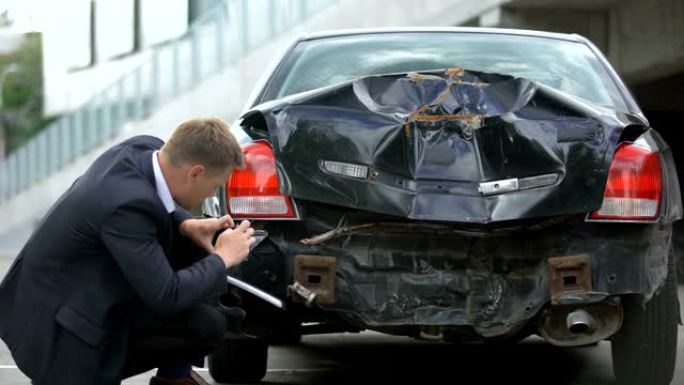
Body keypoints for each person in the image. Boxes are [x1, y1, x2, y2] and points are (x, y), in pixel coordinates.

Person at [0, 117, 254, 385]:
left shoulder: (145, 149)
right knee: (202, 283)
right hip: (59, 337)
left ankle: (174, 378)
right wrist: (222, 257)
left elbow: (158, 198)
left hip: (77, 294)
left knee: (202, 307)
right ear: (195, 173)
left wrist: (185, 222)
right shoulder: (128, 206)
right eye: (215, 186)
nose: (212, 194)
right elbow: (167, 295)